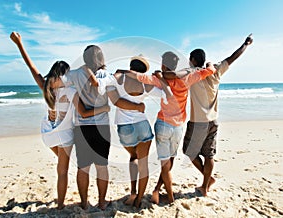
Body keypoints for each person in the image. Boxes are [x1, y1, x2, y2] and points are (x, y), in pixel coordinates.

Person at [10, 32, 110, 209]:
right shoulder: (71, 90)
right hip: (69, 134)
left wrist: (19, 44)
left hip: (49, 133)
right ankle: (80, 204)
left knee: (68, 167)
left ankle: (70, 203)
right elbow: (85, 111)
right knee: (81, 168)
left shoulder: (46, 88)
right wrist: (104, 108)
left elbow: (32, 68)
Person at [60, 45, 146, 210]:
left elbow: (56, 83)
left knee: (83, 167)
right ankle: (101, 202)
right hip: (101, 127)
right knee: (102, 166)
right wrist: (137, 106)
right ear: (101, 58)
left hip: (82, 127)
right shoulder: (106, 76)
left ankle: (84, 203)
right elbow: (116, 101)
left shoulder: (75, 74)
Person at [125, 51, 216, 204]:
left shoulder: (158, 79)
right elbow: (209, 71)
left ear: (163, 64)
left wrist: (124, 72)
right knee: (170, 161)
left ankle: (169, 196)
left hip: (163, 124)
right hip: (178, 126)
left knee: (164, 163)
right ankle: (158, 190)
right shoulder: (188, 78)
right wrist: (210, 65)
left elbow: (139, 76)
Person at [88, 55, 172, 208]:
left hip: (124, 127)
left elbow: (111, 95)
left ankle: (133, 192)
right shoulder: (146, 84)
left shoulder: (119, 78)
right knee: (143, 164)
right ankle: (139, 199)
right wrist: (159, 79)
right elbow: (166, 94)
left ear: (130, 65)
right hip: (142, 125)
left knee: (133, 157)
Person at [182, 34, 253, 197]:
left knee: (189, 151)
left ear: (192, 60)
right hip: (213, 121)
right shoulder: (215, 70)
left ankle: (208, 180)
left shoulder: (192, 74)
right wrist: (245, 44)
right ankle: (206, 186)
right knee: (209, 154)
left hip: (197, 122)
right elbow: (232, 58)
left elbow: (174, 76)